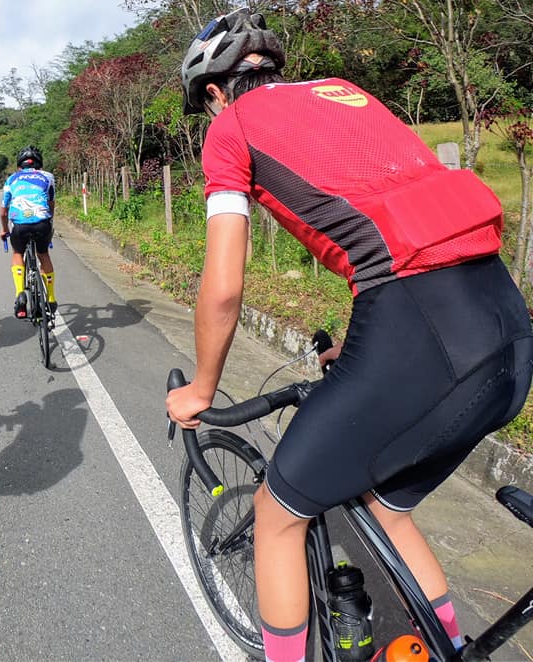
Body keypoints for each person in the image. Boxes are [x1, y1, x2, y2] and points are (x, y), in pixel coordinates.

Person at [167, 9, 533, 661]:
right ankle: (447, 644)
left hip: (416, 331)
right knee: (386, 509)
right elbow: (398, 221)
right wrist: (361, 347)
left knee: (280, 518)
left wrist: (201, 387)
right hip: (503, 324)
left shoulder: (230, 129)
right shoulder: (348, 93)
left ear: (216, 91)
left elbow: (223, 285)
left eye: (207, 105)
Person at [0, 145, 57, 318]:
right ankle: (52, 298)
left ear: (19, 165)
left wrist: (4, 230)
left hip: (20, 226)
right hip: (42, 223)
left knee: (18, 252)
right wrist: (49, 222)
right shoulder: (48, 177)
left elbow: (3, 211)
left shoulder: (11, 180)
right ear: (39, 164)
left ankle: (20, 293)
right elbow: (51, 203)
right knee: (43, 254)